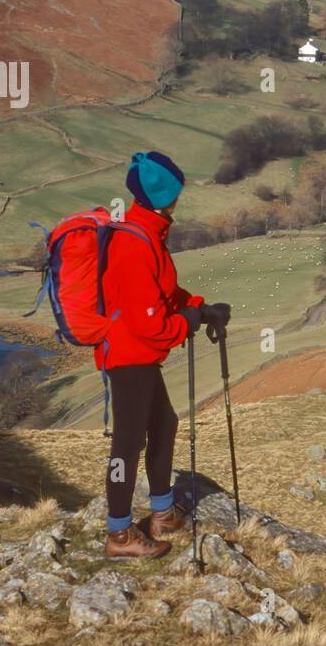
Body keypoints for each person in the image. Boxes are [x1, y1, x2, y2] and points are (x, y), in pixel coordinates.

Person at [97, 151, 230, 559]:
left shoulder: (146, 231)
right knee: (127, 442)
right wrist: (187, 322)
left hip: (137, 355)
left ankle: (162, 513)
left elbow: (163, 294)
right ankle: (120, 535)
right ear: (165, 195)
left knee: (164, 424)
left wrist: (199, 307)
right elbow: (151, 325)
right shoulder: (136, 244)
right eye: (176, 191)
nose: (179, 198)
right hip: (128, 357)